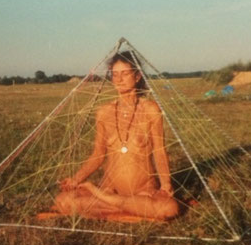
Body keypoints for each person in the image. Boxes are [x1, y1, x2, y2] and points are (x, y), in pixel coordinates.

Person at [54, 51, 178, 220]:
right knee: (63, 200)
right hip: (110, 187)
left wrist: (165, 185)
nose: (119, 79)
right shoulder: (104, 112)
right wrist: (76, 179)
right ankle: (128, 207)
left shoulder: (150, 109)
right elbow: (98, 155)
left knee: (169, 208)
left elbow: (160, 151)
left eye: (125, 73)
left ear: (137, 76)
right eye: (115, 74)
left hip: (144, 191)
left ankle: (109, 204)